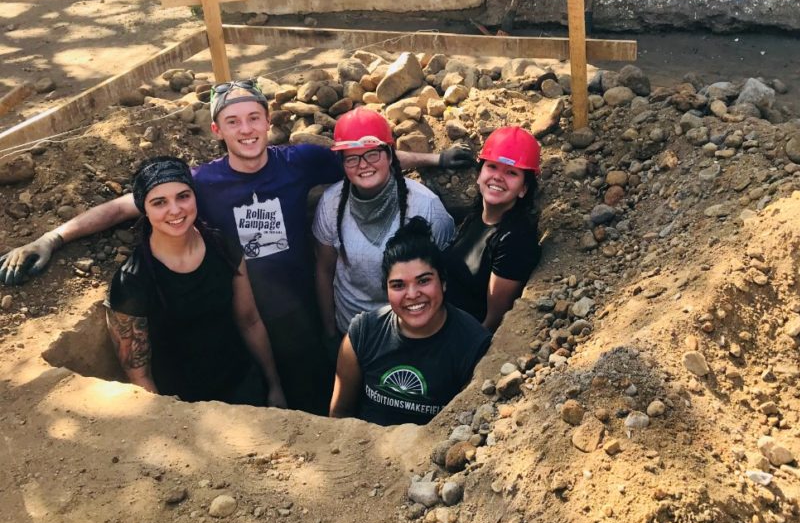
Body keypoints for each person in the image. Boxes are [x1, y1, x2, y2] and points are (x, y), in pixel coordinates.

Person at [0, 80, 474, 415]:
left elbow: (364, 154)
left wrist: (433, 157)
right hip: (238, 318)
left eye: (254, 118)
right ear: (217, 130)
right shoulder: (199, 183)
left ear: (269, 122)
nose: (246, 129)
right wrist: (52, 237)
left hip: (299, 313)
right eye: (233, 121)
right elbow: (126, 207)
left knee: (312, 390)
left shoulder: (300, 162)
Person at [106, 156, 285, 407]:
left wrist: (274, 386)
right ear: (144, 209)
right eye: (159, 202)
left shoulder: (222, 247)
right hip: (185, 409)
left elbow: (249, 320)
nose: (175, 210)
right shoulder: (132, 281)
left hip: (243, 389)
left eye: (183, 196)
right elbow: (139, 373)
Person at [329, 217, 490, 425]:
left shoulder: (473, 344)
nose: (412, 294)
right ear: (386, 290)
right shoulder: (363, 333)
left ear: (443, 283)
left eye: (423, 281)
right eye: (398, 285)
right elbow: (339, 414)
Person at [313, 108, 455, 342]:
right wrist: (329, 333)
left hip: (412, 333)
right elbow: (324, 270)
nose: (363, 165)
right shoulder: (331, 203)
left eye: (372, 154)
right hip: (352, 333)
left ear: (390, 155)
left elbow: (447, 276)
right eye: (352, 158)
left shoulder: (425, 206)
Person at [443, 126, 542, 332]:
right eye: (492, 167)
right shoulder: (476, 214)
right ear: (479, 174)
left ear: (524, 189)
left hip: (460, 338)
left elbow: (493, 320)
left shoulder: (515, 240)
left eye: (511, 173)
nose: (498, 177)